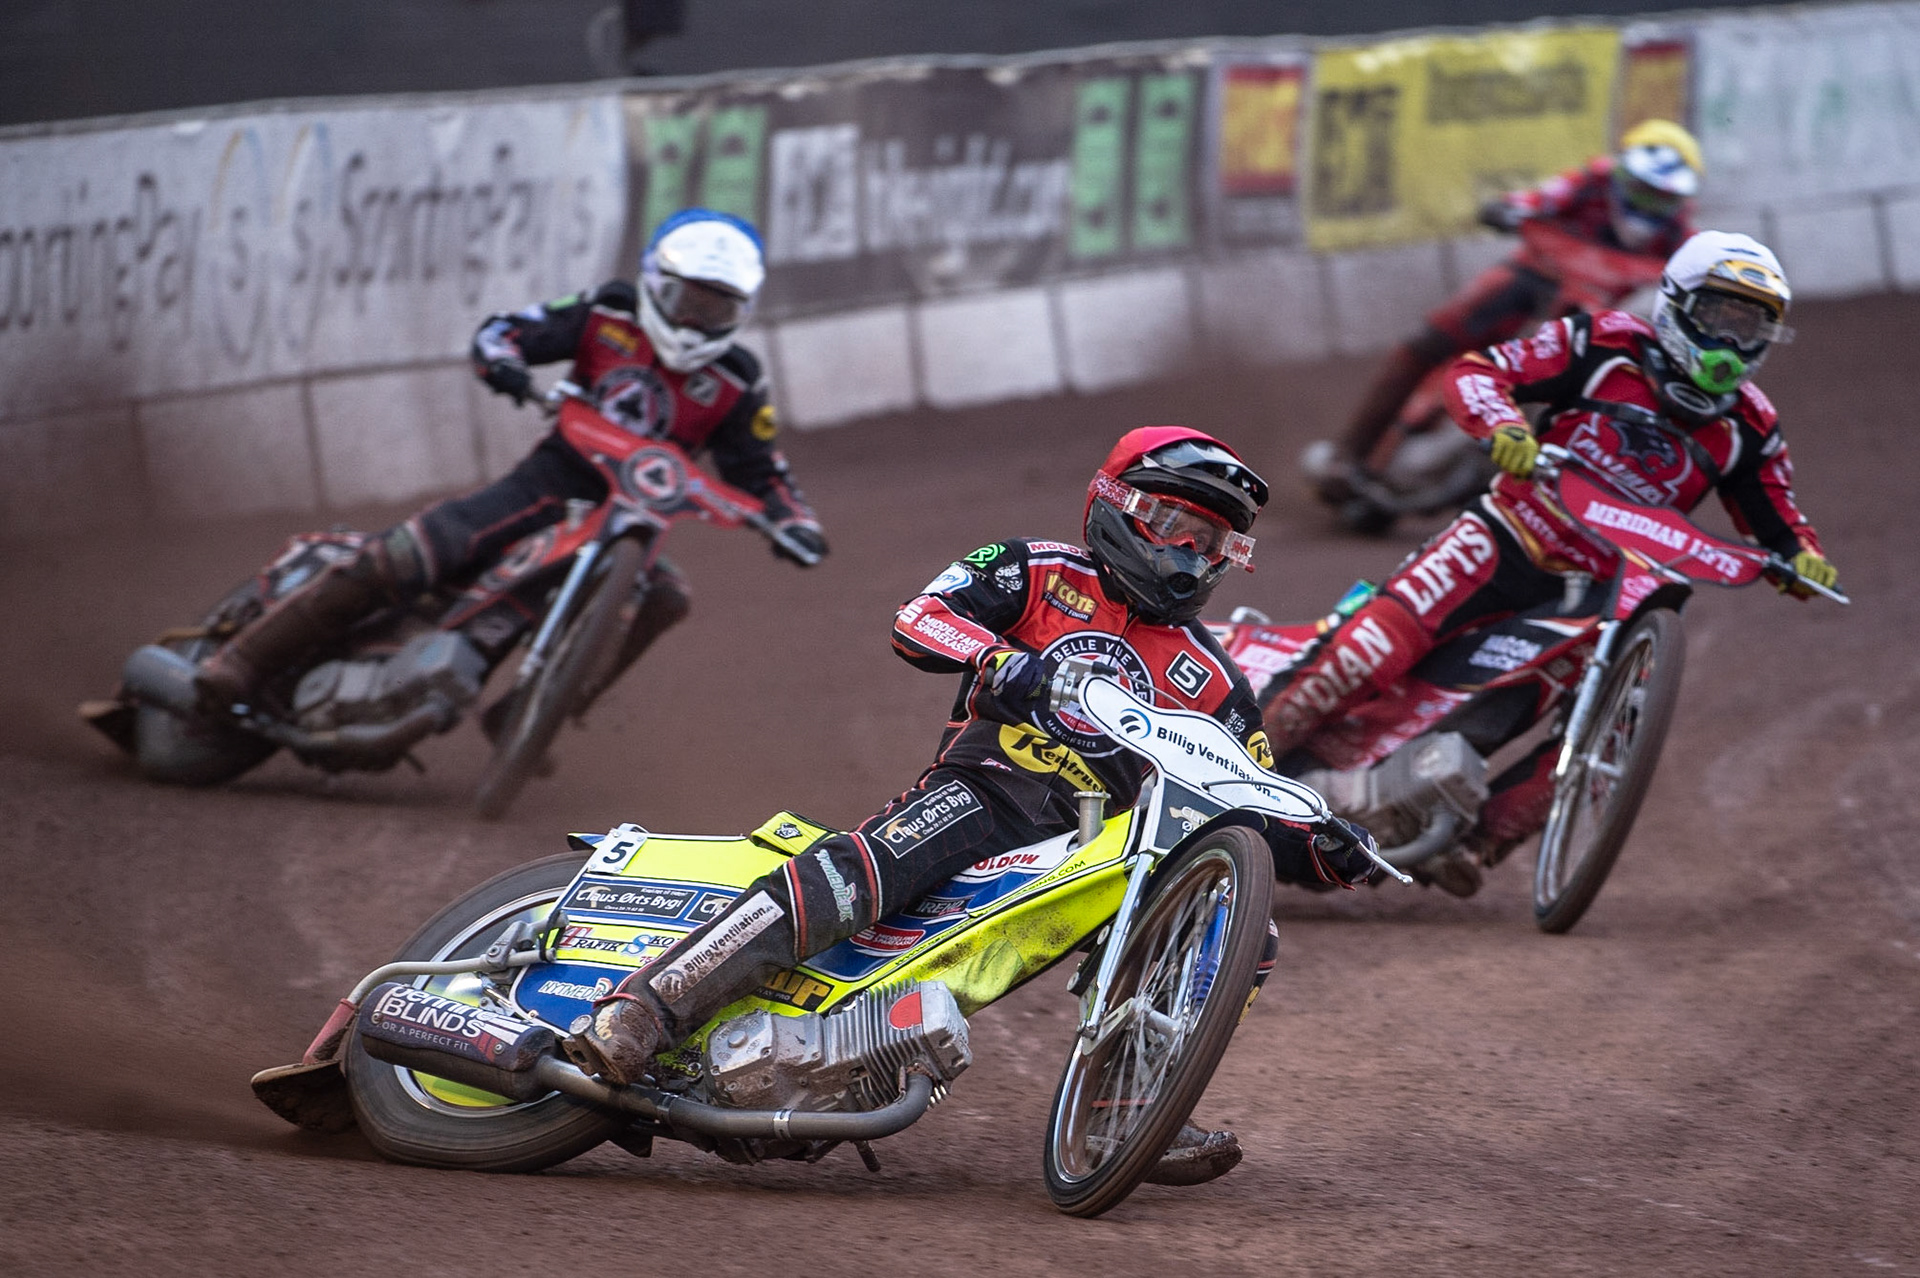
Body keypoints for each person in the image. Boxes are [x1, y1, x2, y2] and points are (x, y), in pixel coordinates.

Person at [573, 426, 1379, 1185]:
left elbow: (1252, 785)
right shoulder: (1033, 568)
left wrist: (1325, 842)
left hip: (1092, 845)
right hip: (985, 787)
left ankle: (1128, 1107)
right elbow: (918, 619)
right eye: (1174, 525)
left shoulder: (1215, 677)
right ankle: (647, 1007)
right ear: (1117, 505)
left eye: (1210, 542)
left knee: (1236, 926)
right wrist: (1001, 661)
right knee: (864, 872)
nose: (1188, 554)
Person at [1264, 230, 1836, 887]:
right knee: (1364, 654)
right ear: (1677, 302)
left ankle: (1474, 843)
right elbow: (1480, 371)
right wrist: (1502, 425)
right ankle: (1246, 756)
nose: (1730, 345)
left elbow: (1778, 517)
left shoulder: (1751, 428)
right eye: (1718, 318)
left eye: (1750, 327)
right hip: (1507, 534)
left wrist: (1804, 558)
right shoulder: (1602, 343)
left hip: (1601, 592)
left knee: (1615, 721)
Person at [194, 208, 825, 716]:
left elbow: (761, 469)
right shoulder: (606, 311)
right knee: (419, 550)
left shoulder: (737, 380)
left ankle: (541, 709)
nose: (695, 320)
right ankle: (245, 659)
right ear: (656, 282)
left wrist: (793, 521)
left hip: (633, 520)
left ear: (741, 311)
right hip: (550, 482)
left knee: (666, 597)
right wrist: (506, 366)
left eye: (716, 308)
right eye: (688, 299)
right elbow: (506, 332)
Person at [1309, 120, 1704, 509]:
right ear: (1620, 174)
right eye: (1640, 190)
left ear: (1681, 199)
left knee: (1592, 377)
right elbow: (1543, 197)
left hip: (1595, 308)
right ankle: (1348, 455)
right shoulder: (1591, 179)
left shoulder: (1681, 235)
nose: (1647, 204)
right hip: (1536, 275)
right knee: (1427, 342)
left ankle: (1553, 490)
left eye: (1662, 197)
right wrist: (1510, 208)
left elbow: (1695, 268)